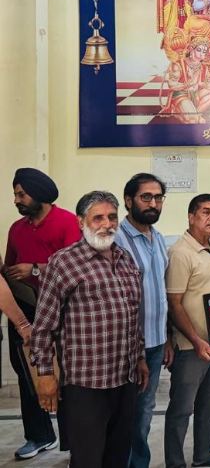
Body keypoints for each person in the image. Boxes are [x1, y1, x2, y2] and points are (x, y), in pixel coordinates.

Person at [32, 191, 148, 468]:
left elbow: (133, 314)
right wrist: (45, 374)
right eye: (98, 218)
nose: (107, 224)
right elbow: (44, 326)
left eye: (112, 217)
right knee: (87, 458)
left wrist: (140, 357)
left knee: (118, 455)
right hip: (86, 384)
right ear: (81, 222)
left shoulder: (125, 259)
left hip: (125, 377)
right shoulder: (63, 263)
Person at [3, 167, 80, 460]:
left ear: (39, 193)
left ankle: (74, 443)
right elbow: (10, 270)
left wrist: (35, 269)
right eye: (15, 195)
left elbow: (77, 268)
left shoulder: (67, 222)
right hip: (25, 310)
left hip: (63, 310)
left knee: (67, 378)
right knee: (27, 374)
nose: (16, 200)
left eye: (21, 194)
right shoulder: (16, 229)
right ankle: (39, 436)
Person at [164, 194, 210, 468]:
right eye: (205, 212)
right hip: (190, 347)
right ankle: (175, 463)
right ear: (191, 216)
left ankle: (204, 455)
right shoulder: (180, 253)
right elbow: (174, 303)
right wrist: (195, 340)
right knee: (182, 408)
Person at [113, 173, 174, 468]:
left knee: (144, 412)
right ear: (128, 201)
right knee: (124, 415)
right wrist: (135, 351)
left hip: (156, 342)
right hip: (125, 348)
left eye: (158, 197)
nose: (153, 203)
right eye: (145, 197)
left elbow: (161, 291)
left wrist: (167, 337)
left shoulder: (158, 238)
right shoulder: (115, 240)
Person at [161, 35, 210, 124]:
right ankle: (185, 113)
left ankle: (194, 115)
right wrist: (185, 85)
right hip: (181, 95)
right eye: (199, 50)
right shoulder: (179, 65)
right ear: (191, 49)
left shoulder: (203, 67)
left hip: (195, 95)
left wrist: (203, 84)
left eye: (204, 51)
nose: (201, 54)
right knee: (192, 121)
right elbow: (171, 84)